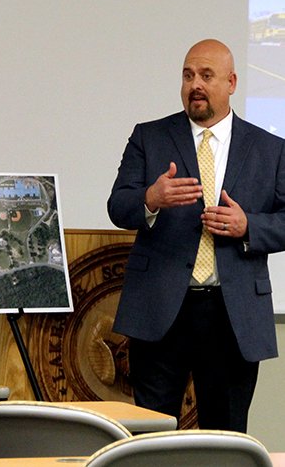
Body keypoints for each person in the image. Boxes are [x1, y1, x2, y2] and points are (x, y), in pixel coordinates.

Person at [107, 39, 285, 432]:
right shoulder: (149, 137)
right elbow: (118, 206)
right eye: (188, 75)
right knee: (151, 435)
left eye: (206, 75)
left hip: (232, 313)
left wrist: (249, 226)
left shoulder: (270, 149)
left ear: (232, 82)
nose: (195, 85)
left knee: (224, 438)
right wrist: (150, 198)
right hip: (160, 310)